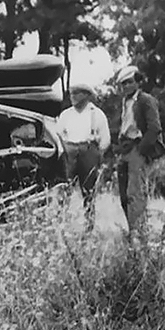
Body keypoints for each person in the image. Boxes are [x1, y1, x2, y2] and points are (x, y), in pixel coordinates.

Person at [113, 65, 161, 235]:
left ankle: (138, 233)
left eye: (129, 82)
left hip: (137, 147)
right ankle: (132, 229)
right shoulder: (125, 102)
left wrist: (142, 149)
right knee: (124, 195)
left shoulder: (145, 100)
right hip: (125, 147)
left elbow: (154, 128)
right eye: (123, 84)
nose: (126, 87)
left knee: (135, 192)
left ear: (137, 82)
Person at [57, 81, 111, 229]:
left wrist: (96, 155)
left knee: (89, 191)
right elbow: (59, 134)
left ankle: (89, 226)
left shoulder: (97, 114)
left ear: (86, 95)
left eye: (77, 93)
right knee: (64, 189)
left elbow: (105, 139)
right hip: (69, 152)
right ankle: (61, 224)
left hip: (88, 151)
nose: (73, 97)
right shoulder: (66, 114)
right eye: (72, 93)